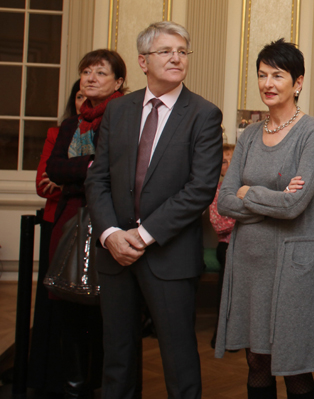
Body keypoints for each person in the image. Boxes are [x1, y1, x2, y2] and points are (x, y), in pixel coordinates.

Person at [84, 21, 223, 399]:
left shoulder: (204, 115)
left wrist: (143, 236)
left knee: (179, 361)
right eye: (166, 51)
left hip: (169, 254)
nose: (177, 57)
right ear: (143, 61)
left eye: (182, 51)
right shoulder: (118, 111)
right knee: (118, 356)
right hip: (115, 254)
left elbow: (199, 189)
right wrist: (112, 234)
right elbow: (97, 179)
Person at [215, 39, 314, 399]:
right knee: (257, 362)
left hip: (290, 265)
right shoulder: (248, 135)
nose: (268, 83)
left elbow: (294, 207)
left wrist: (251, 192)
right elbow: (224, 201)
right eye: (262, 75)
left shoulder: (313, 133)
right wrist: (273, 197)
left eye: (277, 75)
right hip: (249, 262)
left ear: (297, 82)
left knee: (294, 366)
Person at [45, 50, 126, 398]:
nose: (90, 78)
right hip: (69, 220)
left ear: (119, 82)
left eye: (100, 73)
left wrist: (87, 170)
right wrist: (94, 167)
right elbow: (55, 169)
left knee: (108, 314)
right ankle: (75, 387)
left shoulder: (126, 118)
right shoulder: (71, 124)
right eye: (86, 72)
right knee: (68, 308)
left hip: (112, 223)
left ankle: (108, 388)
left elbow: (121, 171)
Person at [29, 79, 86, 397]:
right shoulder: (59, 132)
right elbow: (43, 184)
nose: (82, 101)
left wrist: (66, 176)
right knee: (55, 305)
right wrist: (78, 178)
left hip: (91, 225)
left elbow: (63, 176)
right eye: (78, 96)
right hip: (58, 224)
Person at [209, 143, 236, 348]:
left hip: (250, 246)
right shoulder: (215, 191)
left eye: (232, 160)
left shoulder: (250, 189)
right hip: (227, 246)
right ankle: (221, 334)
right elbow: (219, 225)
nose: (228, 165)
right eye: (223, 162)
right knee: (229, 271)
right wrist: (247, 217)